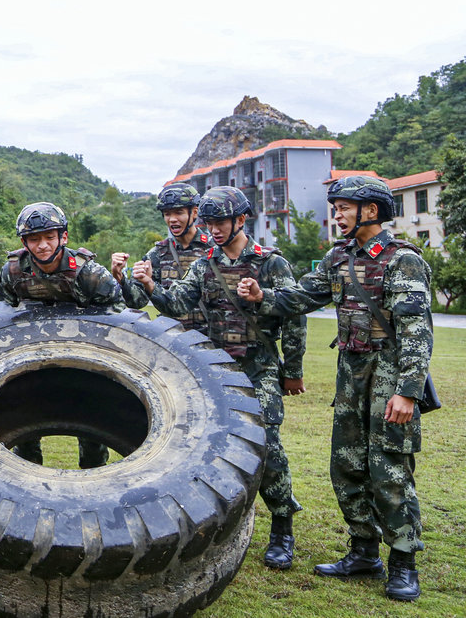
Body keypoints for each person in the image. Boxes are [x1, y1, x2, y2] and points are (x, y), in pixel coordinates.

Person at [239, 176, 432, 601]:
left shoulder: (403, 260)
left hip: (389, 374)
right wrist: (261, 296)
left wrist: (408, 392)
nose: (337, 214)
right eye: (337, 207)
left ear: (371, 210)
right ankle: (363, 552)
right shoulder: (338, 256)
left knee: (390, 468)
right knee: (346, 465)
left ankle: (403, 562)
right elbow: (301, 297)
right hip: (350, 371)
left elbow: (417, 331)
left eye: (345, 207)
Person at [133, 186, 304, 571]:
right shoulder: (204, 263)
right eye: (208, 222)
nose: (212, 229)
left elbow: (295, 316)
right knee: (212, 448)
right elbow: (177, 304)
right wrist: (149, 286)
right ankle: (220, 521)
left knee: (268, 446)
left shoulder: (270, 263)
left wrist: (292, 371)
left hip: (259, 366)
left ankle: (282, 526)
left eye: (219, 222)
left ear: (241, 221)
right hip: (218, 371)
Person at [0, 202, 122, 469]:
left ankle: (93, 478)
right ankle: (28, 477)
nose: (42, 245)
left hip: (84, 359)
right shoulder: (13, 272)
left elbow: (118, 318)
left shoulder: (88, 273)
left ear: (63, 237)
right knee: (25, 424)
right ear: (24, 242)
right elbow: (2, 321)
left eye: (49, 237)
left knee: (90, 427)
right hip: (31, 360)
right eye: (34, 239)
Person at [111, 181, 213, 331]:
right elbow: (137, 301)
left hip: (210, 338)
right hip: (172, 339)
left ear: (195, 213)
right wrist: (120, 277)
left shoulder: (213, 249)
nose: (172, 219)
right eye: (167, 214)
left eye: (179, 212)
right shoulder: (158, 253)